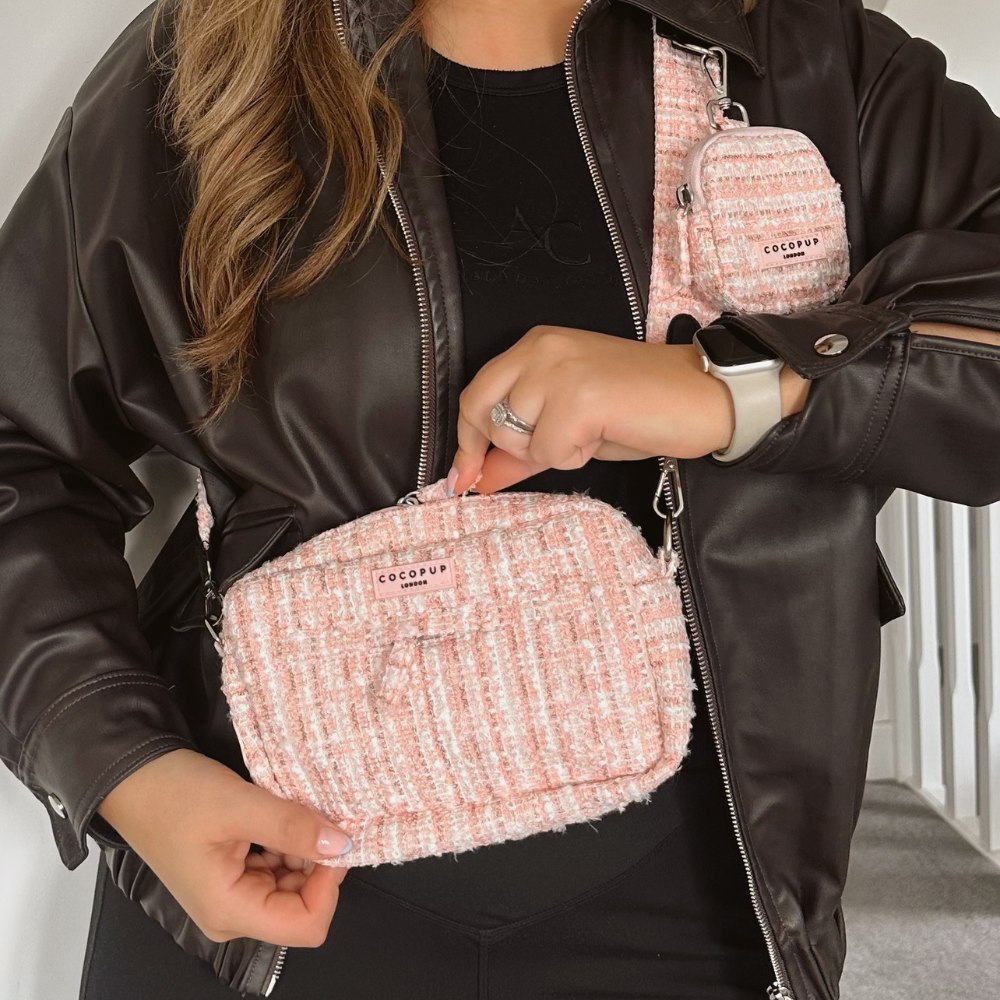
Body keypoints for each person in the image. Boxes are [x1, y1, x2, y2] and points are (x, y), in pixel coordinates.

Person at [1, 0, 999, 997]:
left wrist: (735, 389)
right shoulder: (205, 58)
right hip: (258, 899)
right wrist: (126, 774)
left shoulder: (815, 59)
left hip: (706, 916)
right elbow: (20, 447)